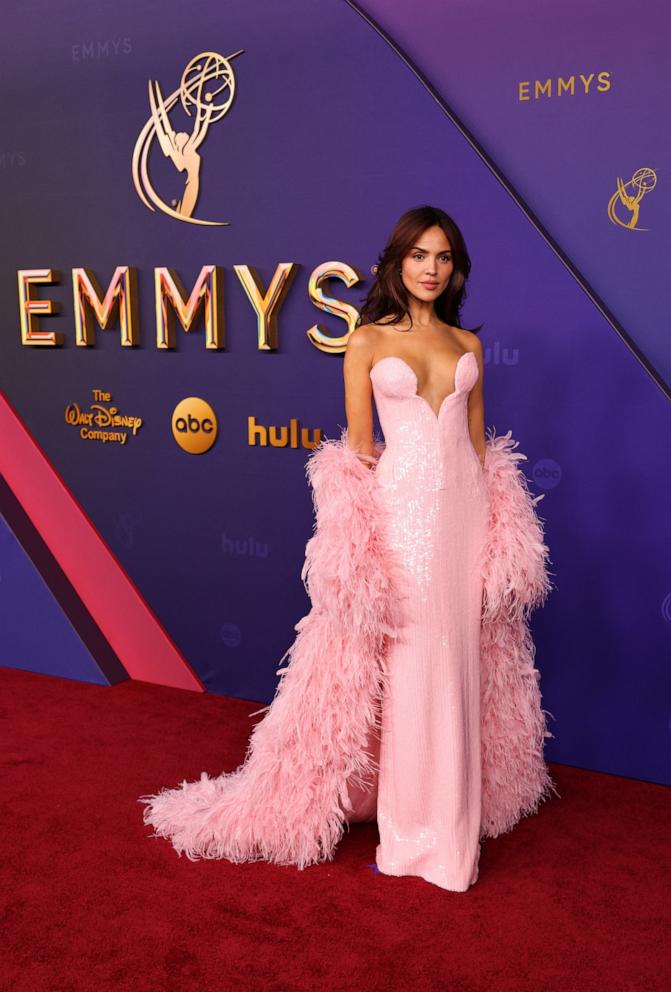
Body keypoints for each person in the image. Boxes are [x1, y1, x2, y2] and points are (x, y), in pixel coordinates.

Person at [139, 205, 556, 892]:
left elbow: (480, 453)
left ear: (455, 269)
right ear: (396, 262)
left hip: (459, 519)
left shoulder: (467, 347)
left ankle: (449, 825)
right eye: (419, 255)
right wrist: (352, 548)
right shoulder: (364, 341)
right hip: (397, 521)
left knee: (456, 661)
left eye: (443, 257)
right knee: (411, 661)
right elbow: (358, 452)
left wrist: (496, 542)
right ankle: (412, 835)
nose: (430, 268)